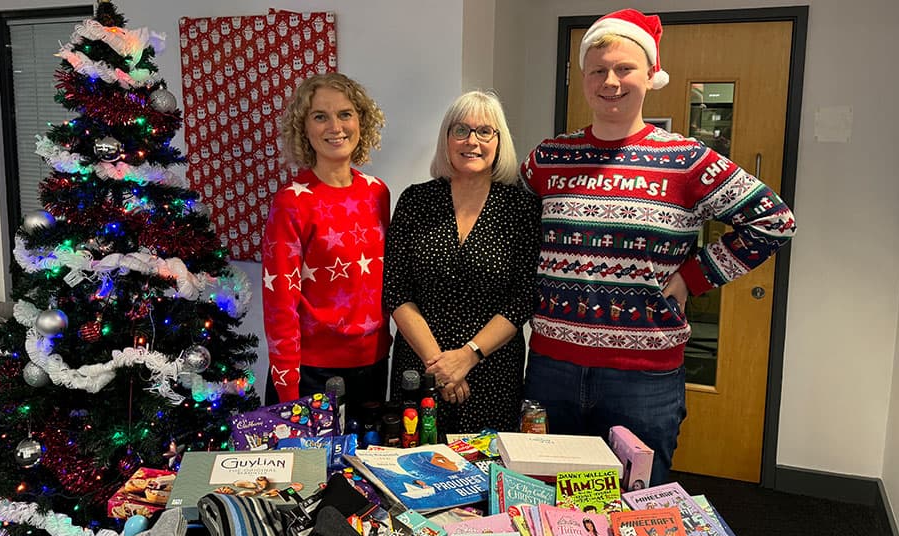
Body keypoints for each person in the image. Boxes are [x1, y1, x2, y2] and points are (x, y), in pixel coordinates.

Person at [520, 9, 796, 485]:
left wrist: (694, 276)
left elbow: (774, 220)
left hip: (643, 378)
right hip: (552, 367)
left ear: (650, 75)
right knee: (545, 496)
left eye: (624, 68)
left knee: (637, 502)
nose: (610, 81)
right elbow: (510, 225)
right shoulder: (548, 158)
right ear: (583, 79)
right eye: (597, 70)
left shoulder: (687, 160)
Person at [384, 91, 541, 434]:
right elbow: (396, 290)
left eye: (485, 131)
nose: (472, 141)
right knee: (415, 462)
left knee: (485, 463)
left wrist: (467, 356)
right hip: (422, 368)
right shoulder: (415, 201)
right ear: (446, 139)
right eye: (461, 130)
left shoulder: (520, 207)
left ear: (499, 141)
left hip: (491, 371)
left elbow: (523, 298)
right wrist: (440, 367)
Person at [262, 72, 391, 420]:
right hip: (310, 373)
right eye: (320, 116)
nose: (335, 127)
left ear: (361, 121)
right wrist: (288, 390)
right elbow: (279, 303)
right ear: (304, 128)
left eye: (345, 114)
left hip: (373, 365)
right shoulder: (291, 202)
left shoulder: (378, 192)